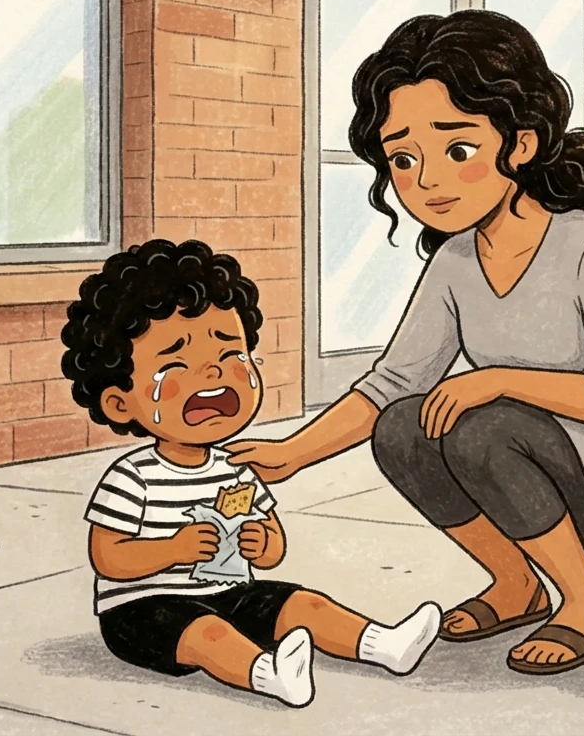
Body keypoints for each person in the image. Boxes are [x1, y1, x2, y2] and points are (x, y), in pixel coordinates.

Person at [225, 10, 584, 676]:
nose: (426, 180)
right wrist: (291, 453)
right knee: (404, 428)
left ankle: (583, 598)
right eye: (403, 158)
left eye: (456, 150)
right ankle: (517, 583)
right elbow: (391, 385)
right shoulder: (456, 261)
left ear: (518, 145)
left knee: (479, 426)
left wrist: (496, 378)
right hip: (549, 461)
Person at [61, 240, 442, 708]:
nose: (212, 374)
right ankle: (268, 674)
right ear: (120, 402)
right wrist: (172, 550)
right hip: (143, 611)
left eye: (229, 354)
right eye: (177, 362)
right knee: (209, 635)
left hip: (230, 590)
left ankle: (383, 645)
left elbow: (272, 542)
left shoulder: (235, 467)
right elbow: (108, 558)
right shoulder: (133, 477)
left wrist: (263, 544)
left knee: (303, 604)